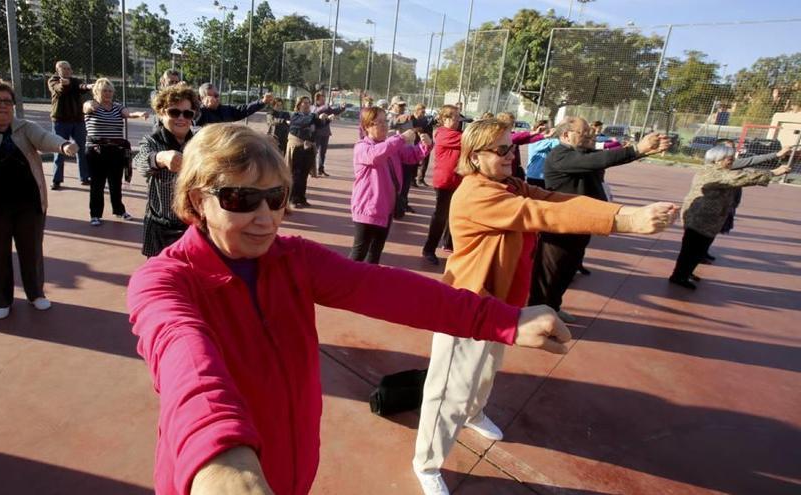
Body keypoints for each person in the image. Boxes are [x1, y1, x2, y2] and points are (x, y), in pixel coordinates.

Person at [126, 123, 572, 495]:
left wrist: (505, 320)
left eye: (277, 197)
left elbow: (386, 289)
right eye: (240, 200)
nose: (266, 218)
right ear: (196, 201)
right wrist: (222, 457)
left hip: (293, 468)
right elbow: (187, 364)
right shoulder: (164, 281)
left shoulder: (293, 258)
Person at [412, 119, 678, 495]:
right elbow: (542, 215)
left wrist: (622, 211)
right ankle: (427, 462)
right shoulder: (476, 193)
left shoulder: (508, 184)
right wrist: (625, 221)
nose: (510, 155)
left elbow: (555, 200)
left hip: (501, 306)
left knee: (486, 370)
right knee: (447, 391)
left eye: (511, 147)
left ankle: (474, 413)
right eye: (500, 150)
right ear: (474, 157)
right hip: (466, 306)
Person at [0, 78, 79, 319]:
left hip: (28, 203)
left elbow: (44, 138)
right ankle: (1, 300)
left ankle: (36, 294)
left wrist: (63, 145)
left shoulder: (23, 127)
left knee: (31, 251)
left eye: (8, 101)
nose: (4, 106)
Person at [528, 117, 672, 322]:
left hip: (582, 224)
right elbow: (597, 161)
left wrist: (644, 150)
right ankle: (538, 316)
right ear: (566, 135)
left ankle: (553, 307)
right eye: (584, 133)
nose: (590, 136)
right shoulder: (559, 155)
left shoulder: (583, 152)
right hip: (560, 227)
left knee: (568, 270)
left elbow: (607, 156)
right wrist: (637, 150)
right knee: (550, 274)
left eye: (591, 133)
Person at [669, 144, 792, 289]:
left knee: (699, 250)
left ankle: (685, 272)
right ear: (717, 159)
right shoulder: (712, 172)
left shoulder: (720, 170)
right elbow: (739, 178)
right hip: (699, 218)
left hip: (710, 219)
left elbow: (743, 171)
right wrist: (772, 173)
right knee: (691, 250)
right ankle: (678, 276)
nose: (732, 160)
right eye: (729, 158)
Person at [351, 106, 431, 264]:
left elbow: (412, 155)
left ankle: (367, 283)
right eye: (378, 122)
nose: (384, 125)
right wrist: (400, 139)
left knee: (375, 253)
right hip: (368, 209)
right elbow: (376, 155)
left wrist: (425, 145)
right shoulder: (362, 147)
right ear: (367, 126)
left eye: (385, 121)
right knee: (359, 253)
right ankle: (345, 286)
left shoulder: (390, 145)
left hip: (386, 209)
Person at [134, 83, 200, 257]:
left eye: (187, 113)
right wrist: (160, 158)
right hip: (160, 225)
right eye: (174, 112)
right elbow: (140, 162)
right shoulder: (152, 141)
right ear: (161, 113)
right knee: (160, 271)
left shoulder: (199, 143)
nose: (181, 118)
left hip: (192, 226)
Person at [83, 78, 148, 226]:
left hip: (116, 150)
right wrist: (90, 105)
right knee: (97, 184)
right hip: (96, 150)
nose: (108, 94)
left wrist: (139, 114)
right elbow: (87, 108)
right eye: (104, 90)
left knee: (115, 183)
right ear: (97, 91)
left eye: (110, 91)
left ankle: (119, 210)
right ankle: (95, 214)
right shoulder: (91, 104)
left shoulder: (117, 107)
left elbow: (128, 114)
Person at [421, 105, 462, 266]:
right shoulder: (444, 134)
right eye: (455, 118)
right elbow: (470, 140)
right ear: (444, 119)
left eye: (459, 118)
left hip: (456, 180)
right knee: (440, 216)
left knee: (453, 214)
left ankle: (448, 243)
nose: (458, 121)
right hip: (445, 181)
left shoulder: (456, 133)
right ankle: (428, 249)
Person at [48, 60, 91, 190]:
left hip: (78, 121)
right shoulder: (53, 81)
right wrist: (64, 84)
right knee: (59, 149)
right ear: (58, 70)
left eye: (69, 68)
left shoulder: (75, 81)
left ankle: (84, 177)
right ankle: (56, 180)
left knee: (81, 149)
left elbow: (81, 87)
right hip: (60, 122)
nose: (67, 71)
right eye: (64, 68)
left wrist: (90, 86)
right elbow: (59, 89)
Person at [286, 96, 331, 208]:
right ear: (299, 104)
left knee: (304, 174)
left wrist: (327, 119)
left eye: (308, 103)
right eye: (304, 103)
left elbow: (320, 124)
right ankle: (292, 199)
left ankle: (301, 198)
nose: (307, 105)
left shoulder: (311, 116)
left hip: (309, 148)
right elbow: (305, 122)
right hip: (298, 147)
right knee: (296, 174)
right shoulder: (295, 116)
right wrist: (316, 115)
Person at [194, 83, 273, 127]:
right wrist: (202, 107)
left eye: (216, 95)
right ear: (202, 98)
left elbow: (243, 109)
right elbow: (193, 124)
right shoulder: (198, 112)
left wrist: (262, 101)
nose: (215, 99)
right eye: (211, 96)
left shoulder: (225, 110)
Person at [311, 92, 346, 177]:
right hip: (317, 133)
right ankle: (311, 169)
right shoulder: (313, 108)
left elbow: (335, 111)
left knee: (323, 152)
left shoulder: (326, 108)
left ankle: (321, 169)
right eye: (322, 99)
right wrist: (327, 106)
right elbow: (317, 112)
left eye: (324, 98)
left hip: (325, 133)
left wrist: (342, 108)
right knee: (314, 152)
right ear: (317, 99)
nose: (324, 100)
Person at [411, 103, 436, 187]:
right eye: (422, 112)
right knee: (414, 162)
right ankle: (412, 179)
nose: (423, 114)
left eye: (424, 112)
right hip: (414, 143)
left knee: (425, 161)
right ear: (417, 111)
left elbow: (431, 126)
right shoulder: (411, 118)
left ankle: (420, 179)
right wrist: (416, 130)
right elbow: (408, 129)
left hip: (424, 143)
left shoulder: (425, 119)